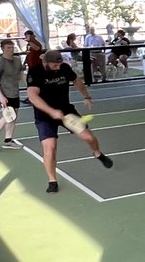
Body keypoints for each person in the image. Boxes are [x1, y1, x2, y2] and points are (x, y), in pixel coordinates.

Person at [25, 48, 113, 194]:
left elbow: (77, 81)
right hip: (44, 115)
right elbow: (33, 97)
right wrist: (51, 111)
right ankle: (52, 181)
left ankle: (97, 153)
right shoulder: (35, 72)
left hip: (67, 112)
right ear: (45, 62)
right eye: (54, 65)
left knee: (88, 137)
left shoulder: (64, 68)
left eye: (59, 64)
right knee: (50, 148)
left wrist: (86, 97)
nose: (58, 68)